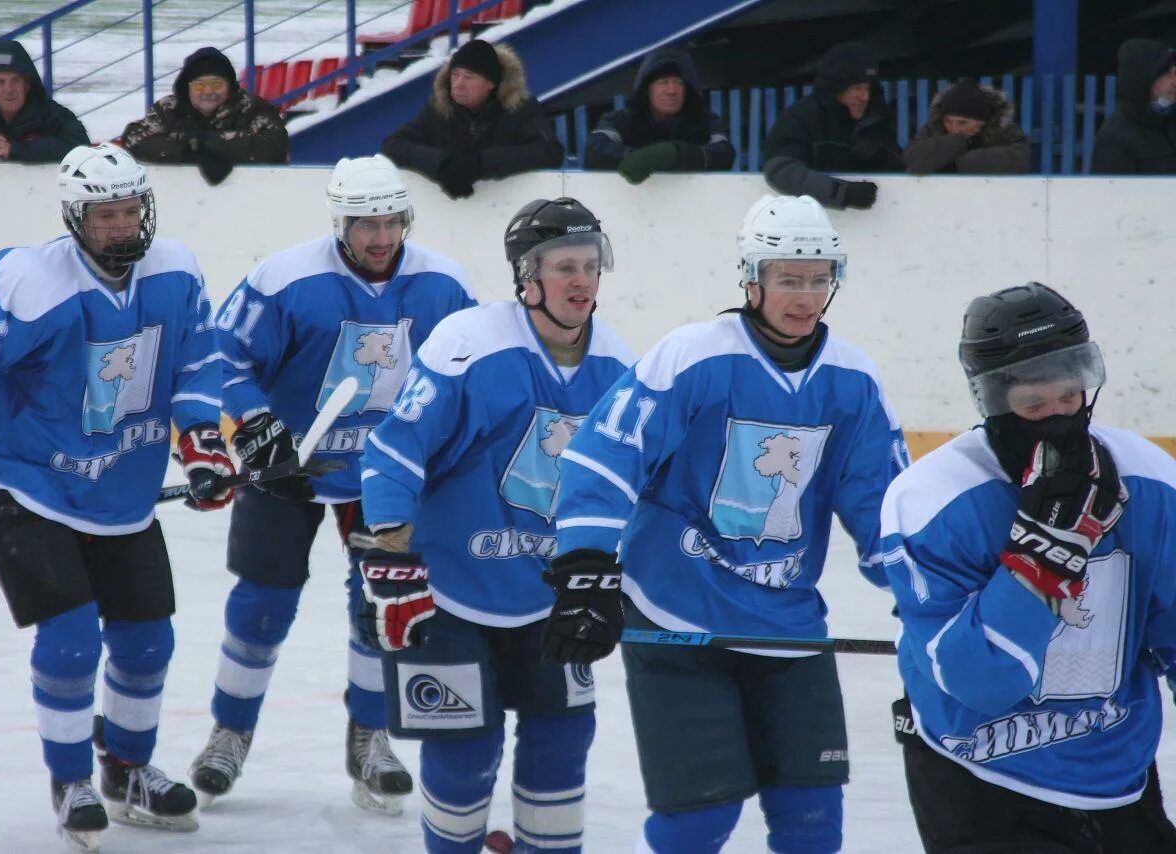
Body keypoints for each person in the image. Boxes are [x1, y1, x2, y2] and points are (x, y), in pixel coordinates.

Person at [550, 194, 908, 854]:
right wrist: (585, 566)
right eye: (787, 278)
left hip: (789, 625)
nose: (804, 296)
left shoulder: (855, 381)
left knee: (812, 827)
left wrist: (932, 601)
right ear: (752, 278)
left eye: (818, 278)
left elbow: (882, 509)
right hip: (676, 615)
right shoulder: (691, 356)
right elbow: (604, 457)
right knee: (697, 823)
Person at [0, 143, 230, 850]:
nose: (121, 225)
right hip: (31, 487)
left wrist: (202, 439)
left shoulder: (176, 269)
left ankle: (128, 770)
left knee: (147, 645)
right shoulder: (29, 280)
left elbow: (199, 358)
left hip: (124, 489)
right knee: (74, 644)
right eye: (105, 213)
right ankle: (72, 779)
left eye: (130, 208)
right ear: (76, 217)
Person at [189, 154, 476, 816]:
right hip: (289, 465)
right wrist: (257, 424)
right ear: (339, 222)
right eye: (363, 223)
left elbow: (470, 376)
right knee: (262, 603)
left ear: (407, 217)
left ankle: (370, 737)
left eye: (390, 221)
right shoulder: (287, 278)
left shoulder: (444, 284)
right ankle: (229, 732)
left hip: (387, 473)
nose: (379, 237)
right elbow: (221, 355)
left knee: (381, 605)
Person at [356, 197, 635, 852]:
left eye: (592, 266)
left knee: (562, 747)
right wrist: (393, 559)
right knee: (463, 756)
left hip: (548, 599)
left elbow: (637, 490)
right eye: (566, 266)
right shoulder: (471, 342)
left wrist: (620, 580)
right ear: (527, 276)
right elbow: (394, 451)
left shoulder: (619, 368)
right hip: (448, 591)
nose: (582, 281)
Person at [880, 282, 1176, 852]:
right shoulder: (934, 500)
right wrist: (1037, 567)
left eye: (1068, 397)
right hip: (978, 773)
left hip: (1114, 770)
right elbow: (980, 684)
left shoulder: (1149, 481)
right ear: (992, 400)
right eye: (1034, 405)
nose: (1059, 416)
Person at [381, 39, 565, 199]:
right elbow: (393, 145)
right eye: (455, 75)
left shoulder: (520, 110)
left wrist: (481, 163)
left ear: (491, 83)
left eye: (469, 77)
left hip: (510, 210)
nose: (459, 85)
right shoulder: (439, 110)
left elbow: (550, 152)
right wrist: (440, 165)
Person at [763, 42, 903, 210]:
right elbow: (781, 170)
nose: (864, 97)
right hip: (808, 223)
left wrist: (883, 157)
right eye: (856, 88)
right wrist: (840, 192)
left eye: (867, 88)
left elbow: (905, 172)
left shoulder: (877, 118)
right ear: (836, 89)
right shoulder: (801, 117)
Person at [122, 46, 288, 185]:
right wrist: (188, 149)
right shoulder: (168, 108)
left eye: (217, 84)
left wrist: (206, 141)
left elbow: (274, 146)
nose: (208, 92)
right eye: (200, 85)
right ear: (187, 87)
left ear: (230, 86)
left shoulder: (253, 108)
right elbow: (134, 140)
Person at [584, 46, 735, 183]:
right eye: (663, 82)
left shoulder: (706, 122)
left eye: (679, 83)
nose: (672, 90)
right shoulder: (620, 121)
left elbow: (724, 154)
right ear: (646, 89)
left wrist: (677, 155)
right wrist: (637, 157)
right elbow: (594, 150)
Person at [905, 77, 1030, 175]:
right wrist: (957, 142)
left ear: (982, 121)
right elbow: (914, 160)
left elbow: (1019, 160)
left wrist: (955, 165)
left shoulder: (1005, 130)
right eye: (948, 121)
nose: (954, 128)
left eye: (962, 122)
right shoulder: (933, 128)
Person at [1092, 39, 1176, 174]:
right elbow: (1112, 192)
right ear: (1144, 78)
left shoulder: (1170, 119)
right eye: (1167, 75)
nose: (1174, 82)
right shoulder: (1115, 138)